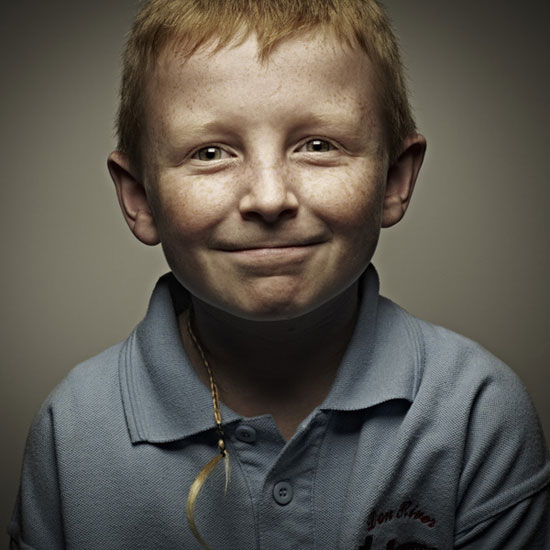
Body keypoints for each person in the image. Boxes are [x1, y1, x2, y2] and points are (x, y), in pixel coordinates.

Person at [8, 0, 549, 548]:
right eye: (210, 152)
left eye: (318, 145)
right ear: (140, 198)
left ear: (394, 180)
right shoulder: (72, 430)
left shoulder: (476, 413)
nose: (269, 199)